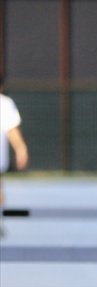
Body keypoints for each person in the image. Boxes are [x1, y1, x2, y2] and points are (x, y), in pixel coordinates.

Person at [0, 72, 30, 217]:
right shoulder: (4, 103)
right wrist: (21, 149)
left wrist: (21, 149)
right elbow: (12, 130)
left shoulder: (4, 104)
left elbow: (11, 129)